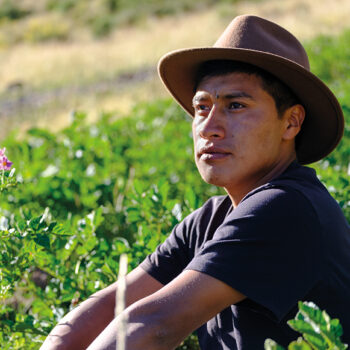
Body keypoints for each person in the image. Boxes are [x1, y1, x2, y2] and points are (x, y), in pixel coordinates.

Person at [40, 15, 350, 350]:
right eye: (202, 107)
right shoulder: (211, 219)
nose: (208, 127)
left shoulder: (287, 207)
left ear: (291, 122)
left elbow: (154, 324)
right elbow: (109, 308)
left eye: (235, 105)